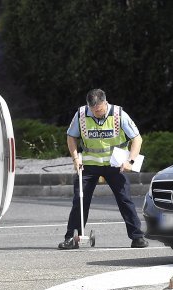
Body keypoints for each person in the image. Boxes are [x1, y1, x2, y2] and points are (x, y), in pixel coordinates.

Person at [58, 89, 148, 249]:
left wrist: (130, 161)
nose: (96, 113)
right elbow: (71, 136)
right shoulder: (81, 114)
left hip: (114, 165)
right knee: (80, 200)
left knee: (124, 200)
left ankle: (137, 237)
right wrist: (75, 157)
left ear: (105, 103)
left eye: (99, 110)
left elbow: (137, 139)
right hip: (89, 165)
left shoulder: (119, 114)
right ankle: (72, 238)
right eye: (93, 110)